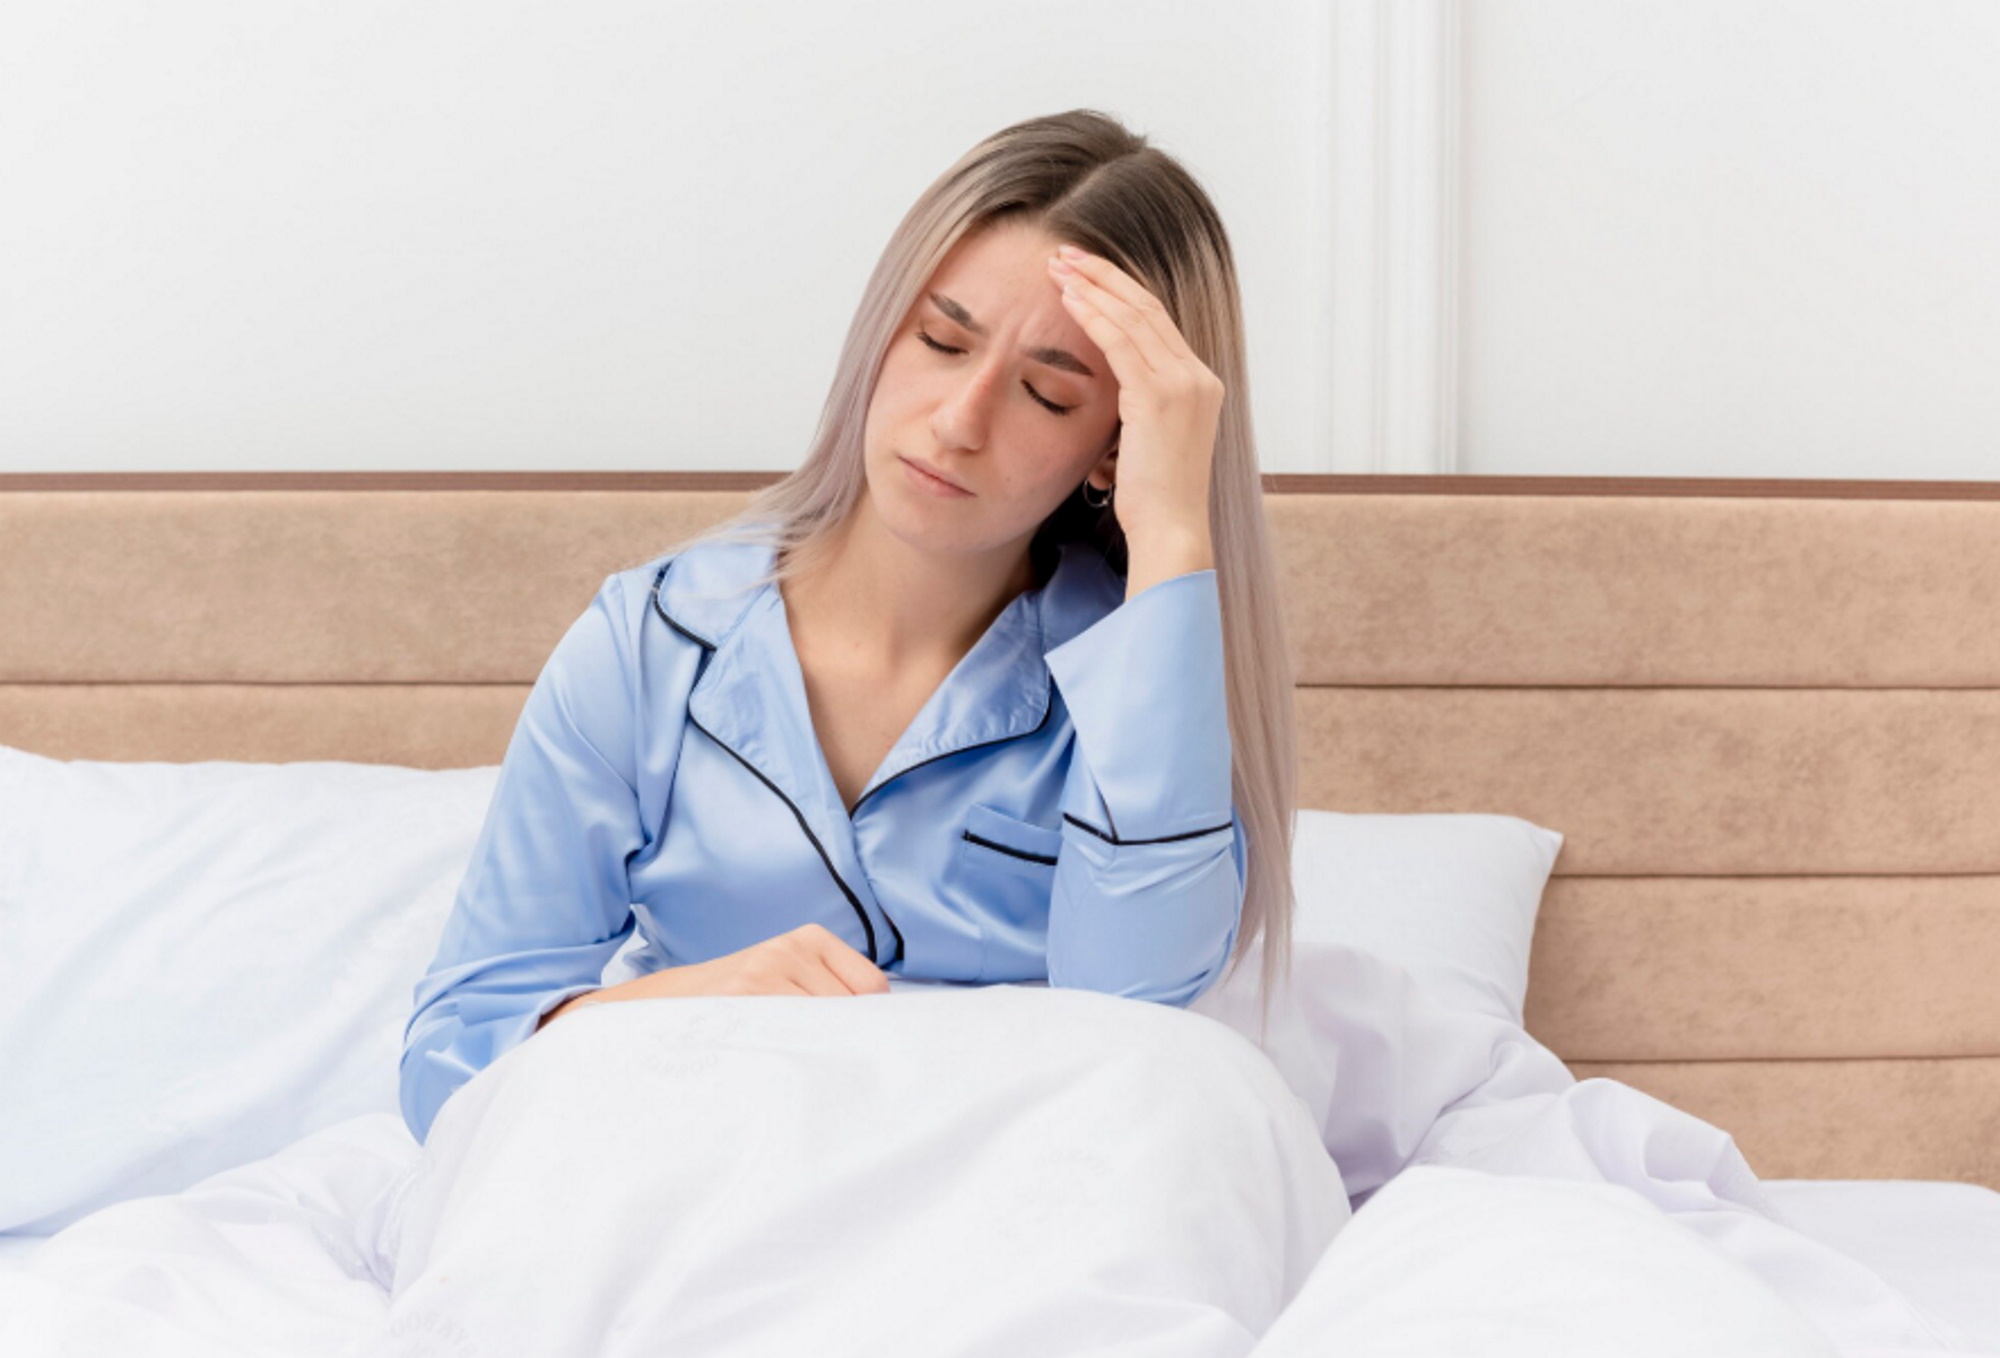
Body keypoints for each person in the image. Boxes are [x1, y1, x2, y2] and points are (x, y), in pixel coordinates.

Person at [398, 108, 1300, 1146]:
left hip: (1010, 1209)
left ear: (1114, 447)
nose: (958, 420)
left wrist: (1176, 534)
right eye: (939, 339)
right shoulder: (649, 646)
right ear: (880, 331)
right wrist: (693, 1001)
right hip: (678, 1190)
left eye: (1048, 396)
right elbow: (449, 1061)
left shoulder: (1138, 681)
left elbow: (1138, 1018)